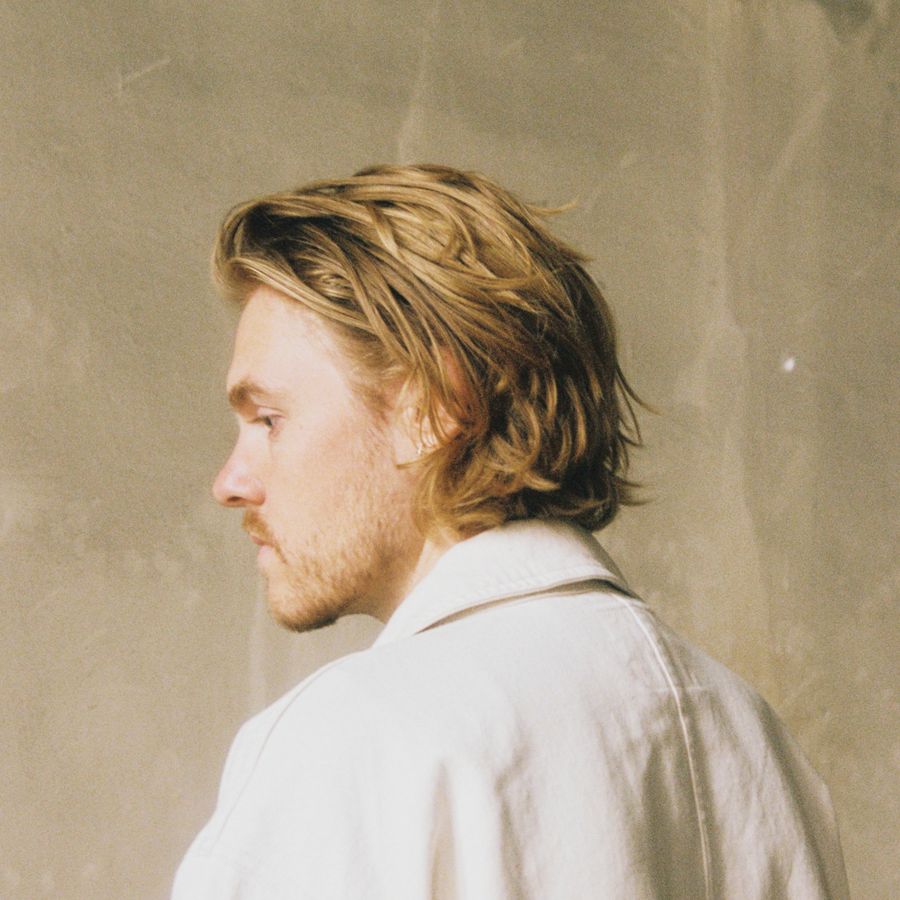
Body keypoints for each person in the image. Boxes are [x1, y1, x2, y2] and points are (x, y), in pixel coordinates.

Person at [173, 164, 849, 898]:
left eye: (269, 420)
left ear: (432, 408)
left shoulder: (354, 741)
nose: (229, 482)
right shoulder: (757, 743)